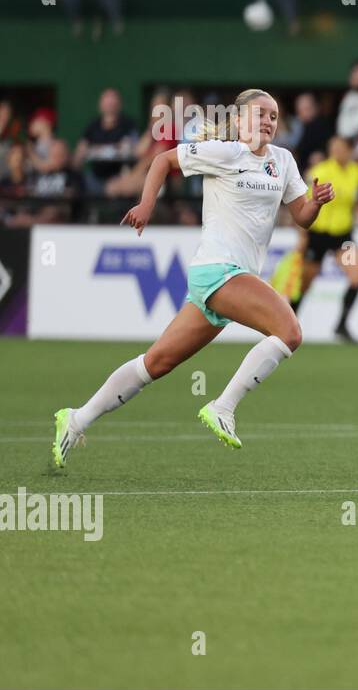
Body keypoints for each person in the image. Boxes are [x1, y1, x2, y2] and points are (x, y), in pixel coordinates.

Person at [51, 89, 335, 467]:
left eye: (274, 115)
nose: (269, 121)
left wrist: (314, 203)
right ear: (238, 120)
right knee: (290, 332)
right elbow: (161, 161)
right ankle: (223, 407)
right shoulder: (225, 152)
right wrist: (147, 203)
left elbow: (300, 214)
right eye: (260, 114)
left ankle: (75, 418)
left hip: (229, 280)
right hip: (218, 271)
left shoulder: (282, 161)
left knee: (156, 363)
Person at [292, 135, 358, 343]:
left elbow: (353, 198)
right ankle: (288, 323)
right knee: (305, 282)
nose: (337, 152)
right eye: (333, 148)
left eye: (341, 148)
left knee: (356, 275)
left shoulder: (356, 172)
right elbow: (302, 205)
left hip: (343, 236)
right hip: (318, 234)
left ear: (349, 150)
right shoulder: (320, 172)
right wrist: (302, 236)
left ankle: (341, 325)